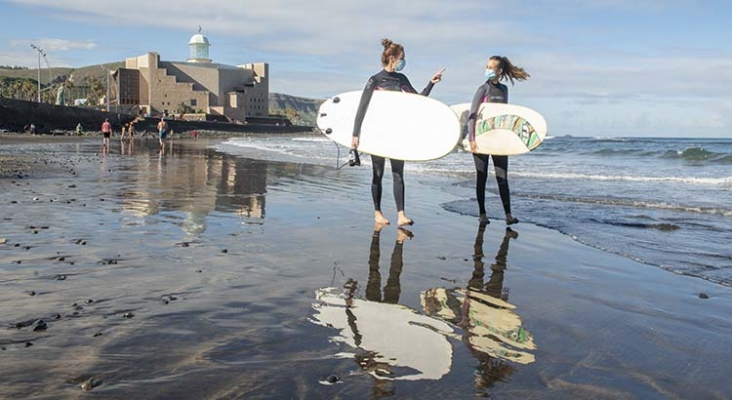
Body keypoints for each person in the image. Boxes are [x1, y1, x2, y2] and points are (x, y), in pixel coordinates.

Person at [351, 38, 445, 226]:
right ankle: (377, 212)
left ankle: (401, 215)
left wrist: (431, 83)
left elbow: (418, 100)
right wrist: (355, 134)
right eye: (402, 58)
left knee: (398, 174)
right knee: (377, 174)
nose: (404, 61)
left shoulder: (401, 79)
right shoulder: (375, 80)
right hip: (378, 134)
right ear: (392, 58)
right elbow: (362, 106)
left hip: (396, 134)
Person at [467, 56, 530, 225]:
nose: (487, 69)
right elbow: (472, 115)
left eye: (491, 67)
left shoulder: (504, 89)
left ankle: (508, 215)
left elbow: (504, 117)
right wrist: (471, 139)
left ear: (499, 71)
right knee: (482, 177)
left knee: (502, 177)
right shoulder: (483, 89)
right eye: (486, 66)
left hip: (498, 141)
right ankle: (482, 214)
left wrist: (509, 139)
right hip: (481, 139)